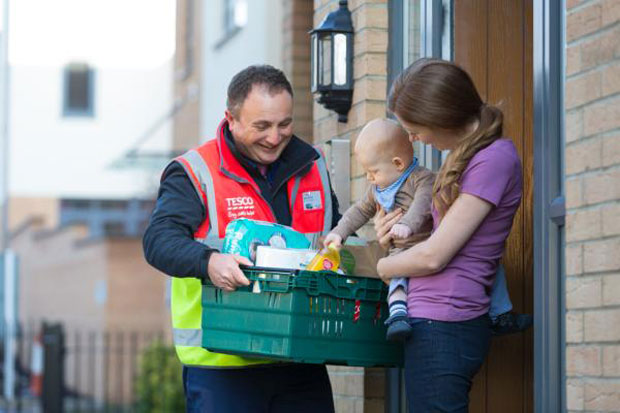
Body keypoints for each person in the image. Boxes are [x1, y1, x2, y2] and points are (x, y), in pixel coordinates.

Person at [143, 65, 339, 412]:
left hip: (300, 361)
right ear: (231, 119)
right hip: (223, 365)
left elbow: (336, 240)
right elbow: (159, 240)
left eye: (284, 124)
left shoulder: (314, 165)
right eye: (261, 126)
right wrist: (209, 262)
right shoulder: (194, 171)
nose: (275, 137)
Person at [375, 58, 528, 411]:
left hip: (445, 323)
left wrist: (385, 267)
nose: (412, 138)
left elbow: (434, 256)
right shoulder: (466, 157)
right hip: (433, 321)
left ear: (441, 116)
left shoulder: (493, 158)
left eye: (414, 128)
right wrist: (391, 236)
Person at [323, 118, 435, 341]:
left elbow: (423, 205)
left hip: (426, 244)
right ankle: (398, 316)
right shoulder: (377, 189)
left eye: (373, 171)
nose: (368, 177)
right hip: (398, 249)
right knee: (396, 278)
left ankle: (499, 311)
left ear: (398, 164)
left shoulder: (421, 180)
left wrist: (406, 225)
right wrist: (339, 232)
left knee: (398, 270)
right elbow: (359, 211)